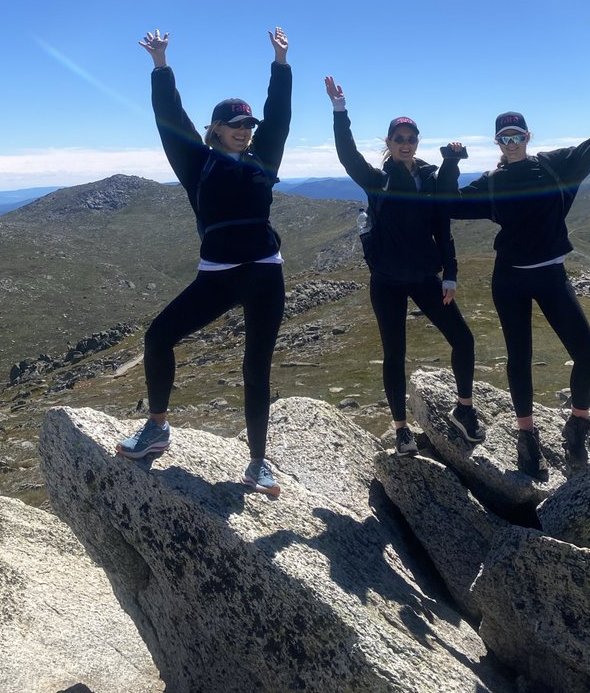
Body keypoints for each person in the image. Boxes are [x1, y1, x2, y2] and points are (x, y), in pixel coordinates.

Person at [117, 27, 291, 497]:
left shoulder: (264, 159)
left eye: (248, 125)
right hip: (215, 276)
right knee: (158, 337)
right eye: (234, 123)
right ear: (215, 128)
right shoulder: (196, 162)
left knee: (256, 368)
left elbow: (279, 117)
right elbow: (169, 117)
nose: (244, 130)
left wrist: (280, 63)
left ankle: (258, 462)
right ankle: (157, 428)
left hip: (263, 274)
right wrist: (161, 66)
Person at [439, 83, 590, 475]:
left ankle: (577, 426)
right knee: (519, 359)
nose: (511, 142)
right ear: (497, 141)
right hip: (509, 278)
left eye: (517, 135)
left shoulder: (554, 165)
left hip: (551, 274)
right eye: (503, 137)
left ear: (528, 137)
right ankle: (527, 439)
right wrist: (451, 164)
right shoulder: (492, 182)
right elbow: (450, 204)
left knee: (587, 354)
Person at [325, 76, 484, 455]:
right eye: (399, 139)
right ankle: (401, 429)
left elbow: (442, 227)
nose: (405, 144)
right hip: (387, 282)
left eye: (411, 139)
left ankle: (464, 409)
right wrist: (339, 110)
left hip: (427, 278)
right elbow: (347, 155)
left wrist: (452, 275)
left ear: (417, 143)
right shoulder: (378, 180)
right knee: (394, 353)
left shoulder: (430, 179)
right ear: (389, 143)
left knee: (463, 338)